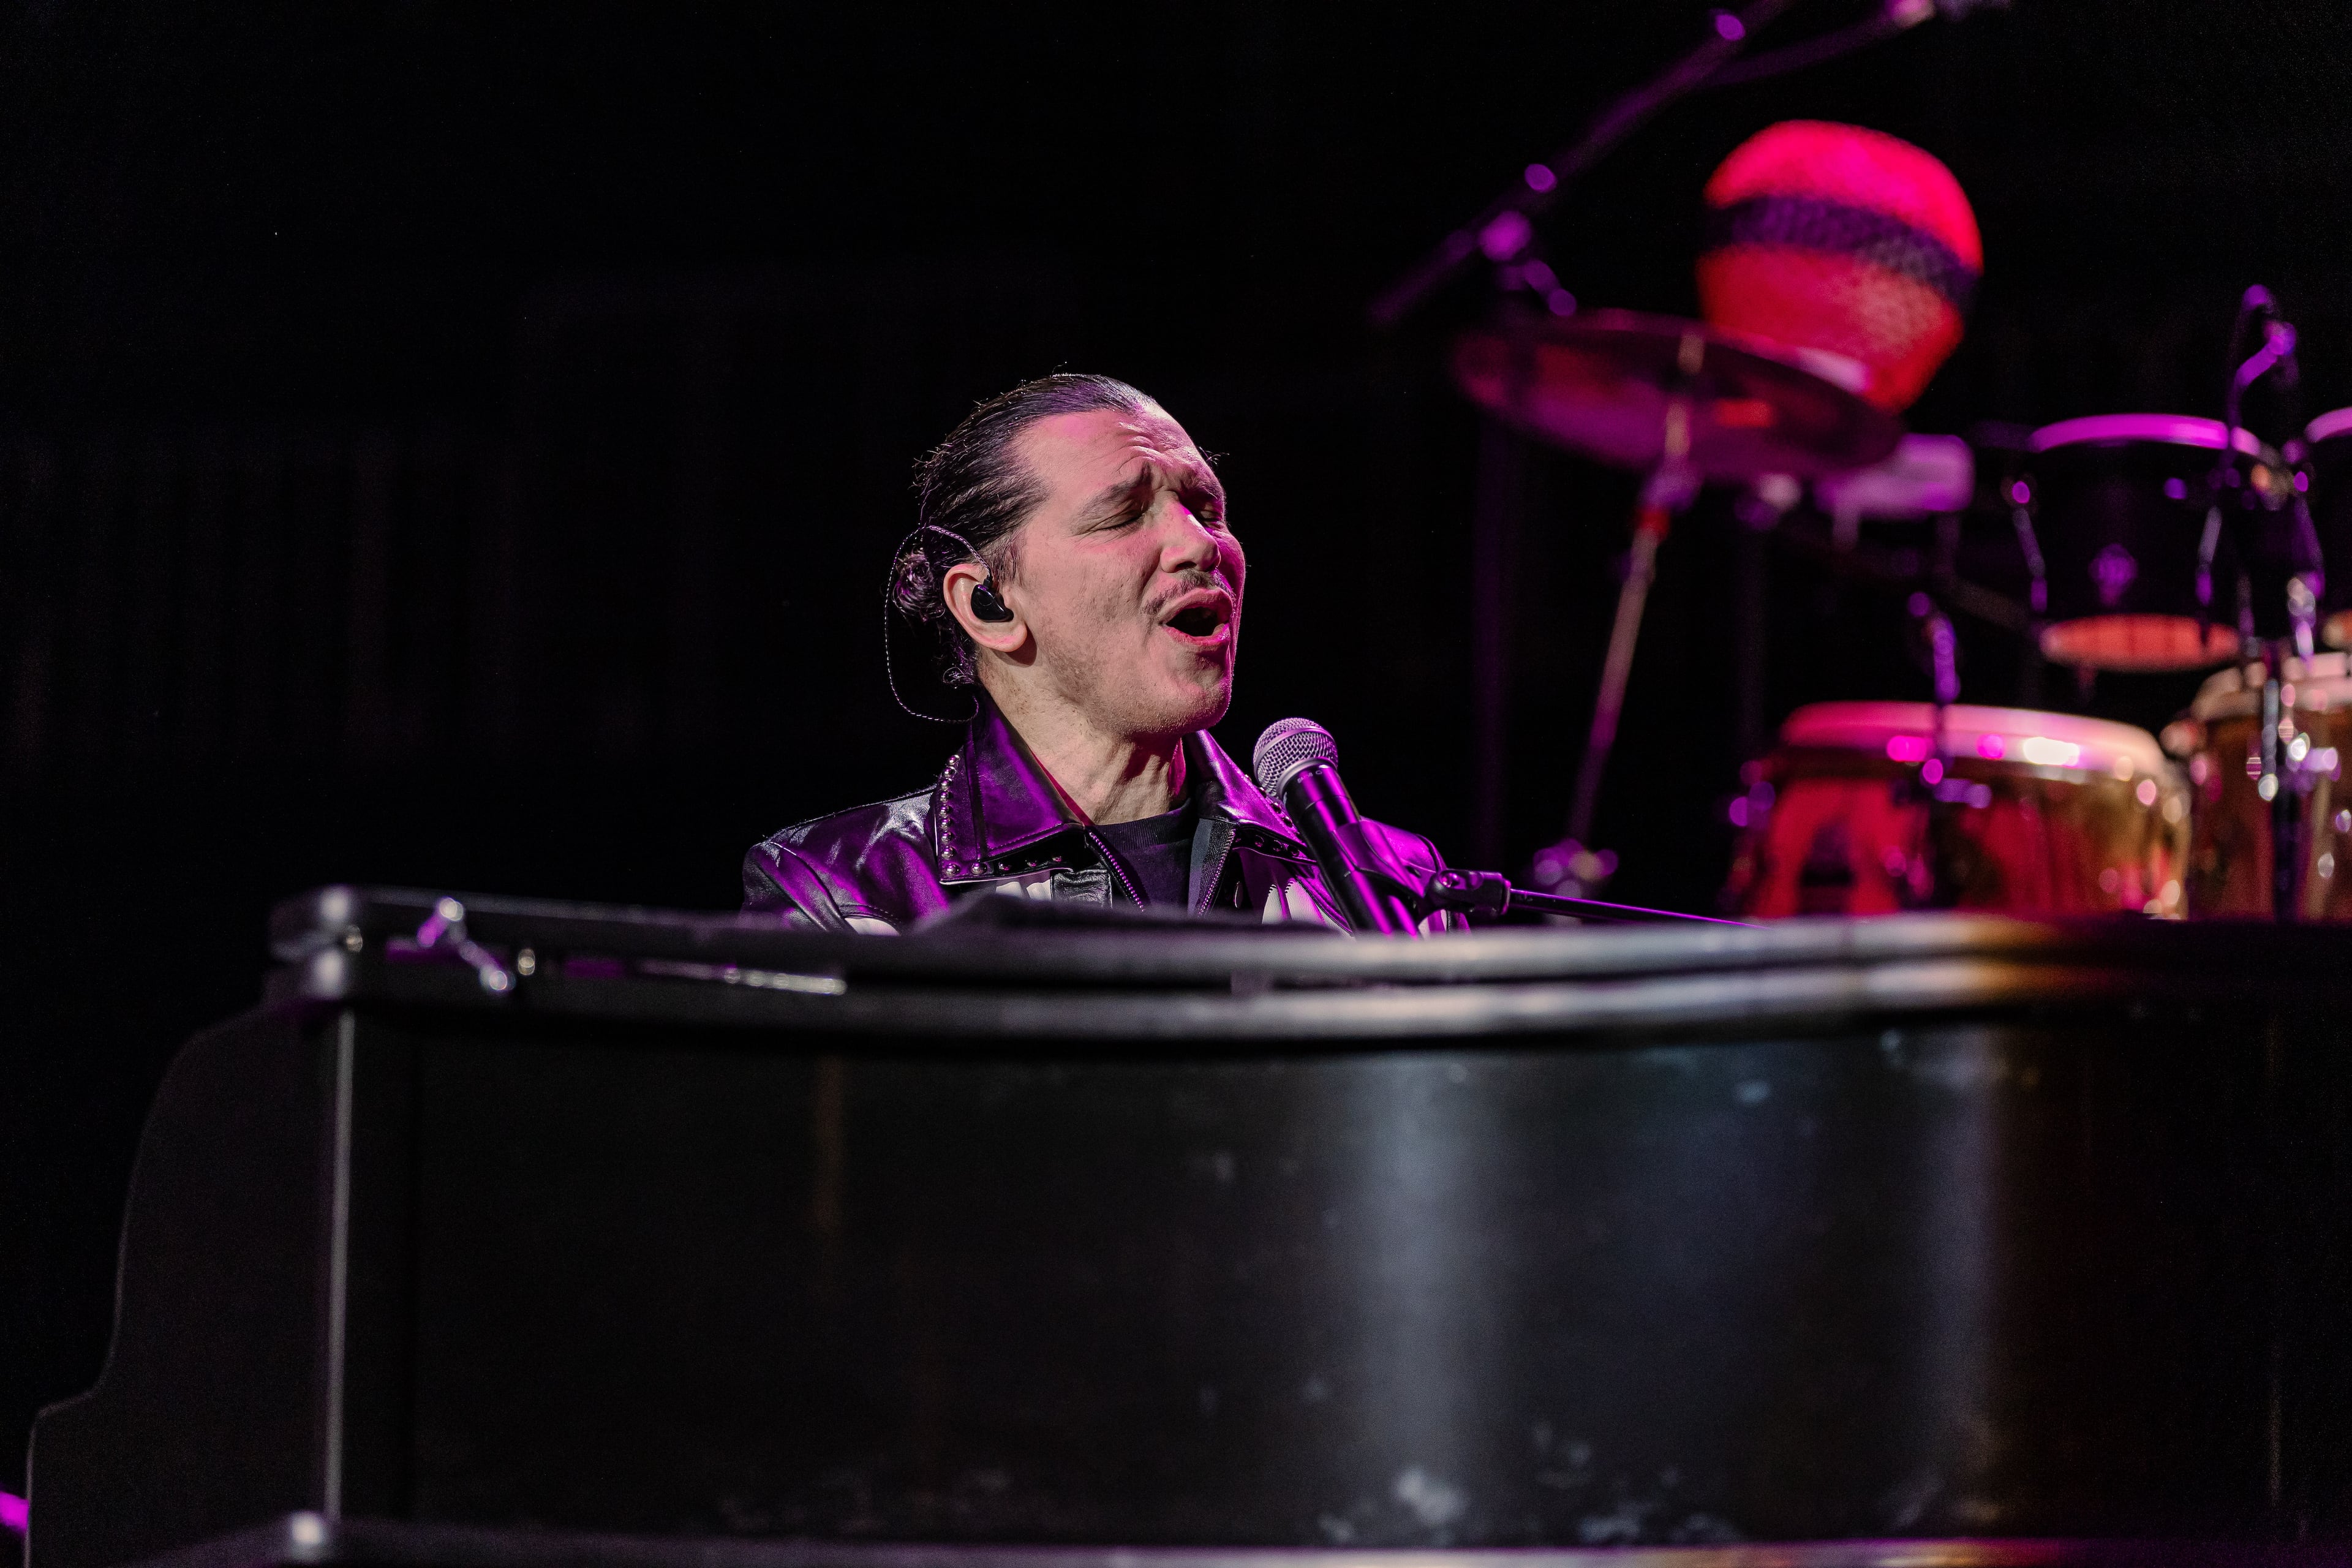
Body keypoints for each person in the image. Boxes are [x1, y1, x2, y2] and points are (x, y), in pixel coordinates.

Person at [741, 372, 1455, 933]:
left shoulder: (1387, 886)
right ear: (988, 604)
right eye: (1122, 514)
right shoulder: (849, 890)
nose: (1202, 544)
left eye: (1207, 510)